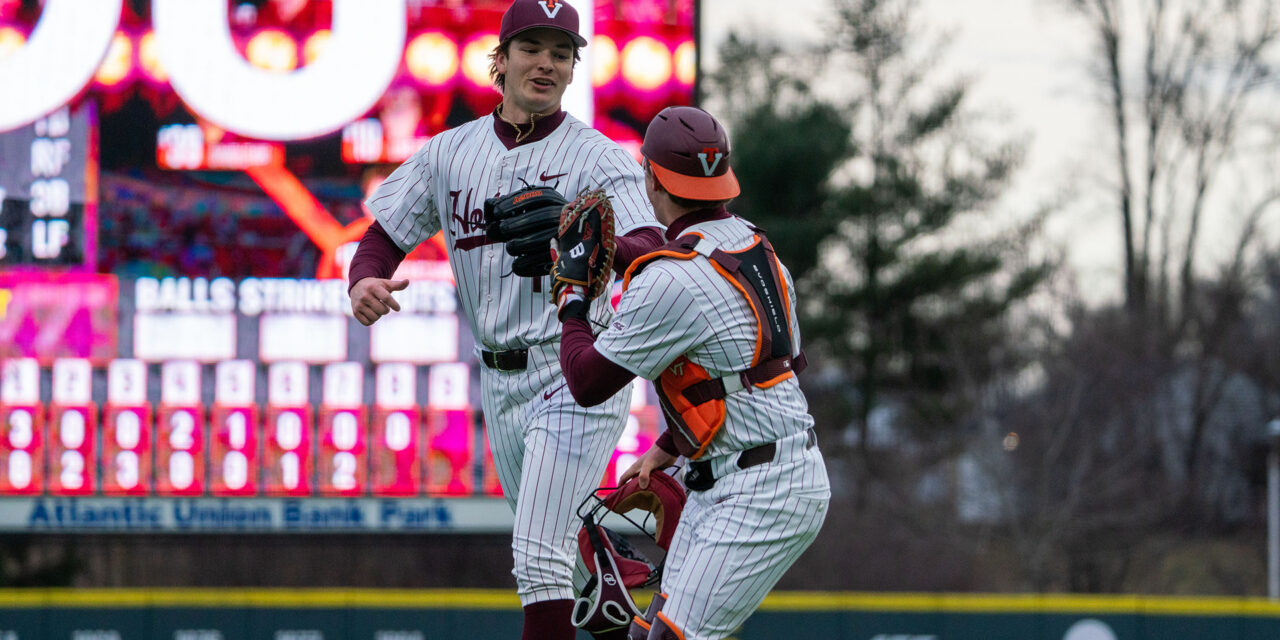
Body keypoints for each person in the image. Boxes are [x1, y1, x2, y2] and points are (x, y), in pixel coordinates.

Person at [347, 1, 665, 639]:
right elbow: (381, 238)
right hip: (499, 380)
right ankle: (620, 609)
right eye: (532, 47)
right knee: (567, 566)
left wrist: (590, 231)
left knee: (537, 558)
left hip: (576, 368)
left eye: (561, 52)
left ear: (575, 68)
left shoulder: (598, 158)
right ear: (502, 58)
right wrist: (364, 281)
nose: (546, 63)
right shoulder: (449, 153)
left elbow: (653, 252)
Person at [556, 106, 831, 640]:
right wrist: (667, 446)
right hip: (752, 472)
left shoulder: (671, 280)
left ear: (653, 177)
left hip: (760, 490)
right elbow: (749, 375)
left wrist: (572, 298)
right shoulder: (756, 245)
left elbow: (587, 382)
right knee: (646, 633)